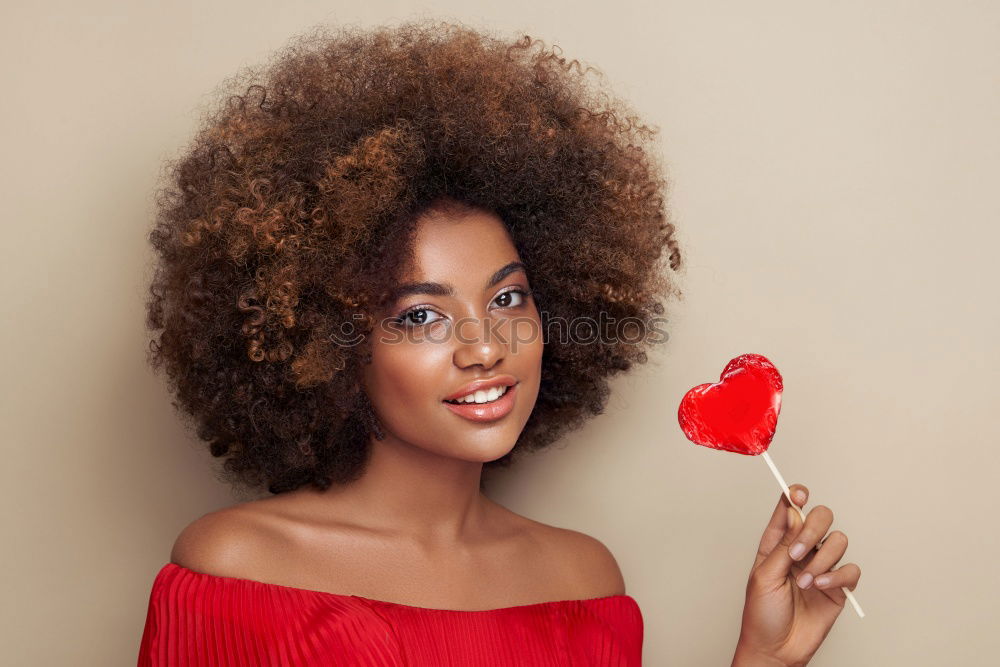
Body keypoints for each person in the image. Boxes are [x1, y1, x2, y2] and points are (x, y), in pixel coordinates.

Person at [137, 20, 860, 666]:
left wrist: (763, 659)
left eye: (508, 297)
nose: (485, 347)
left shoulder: (585, 582)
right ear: (327, 343)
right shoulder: (238, 570)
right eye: (421, 315)